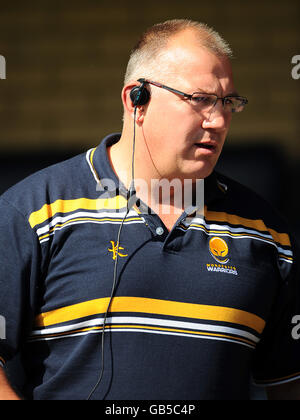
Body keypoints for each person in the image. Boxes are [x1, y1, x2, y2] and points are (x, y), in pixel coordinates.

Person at [0, 18, 299, 400]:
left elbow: (289, 382)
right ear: (136, 99)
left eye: (228, 103)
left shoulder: (268, 233)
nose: (220, 120)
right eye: (201, 99)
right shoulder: (33, 212)